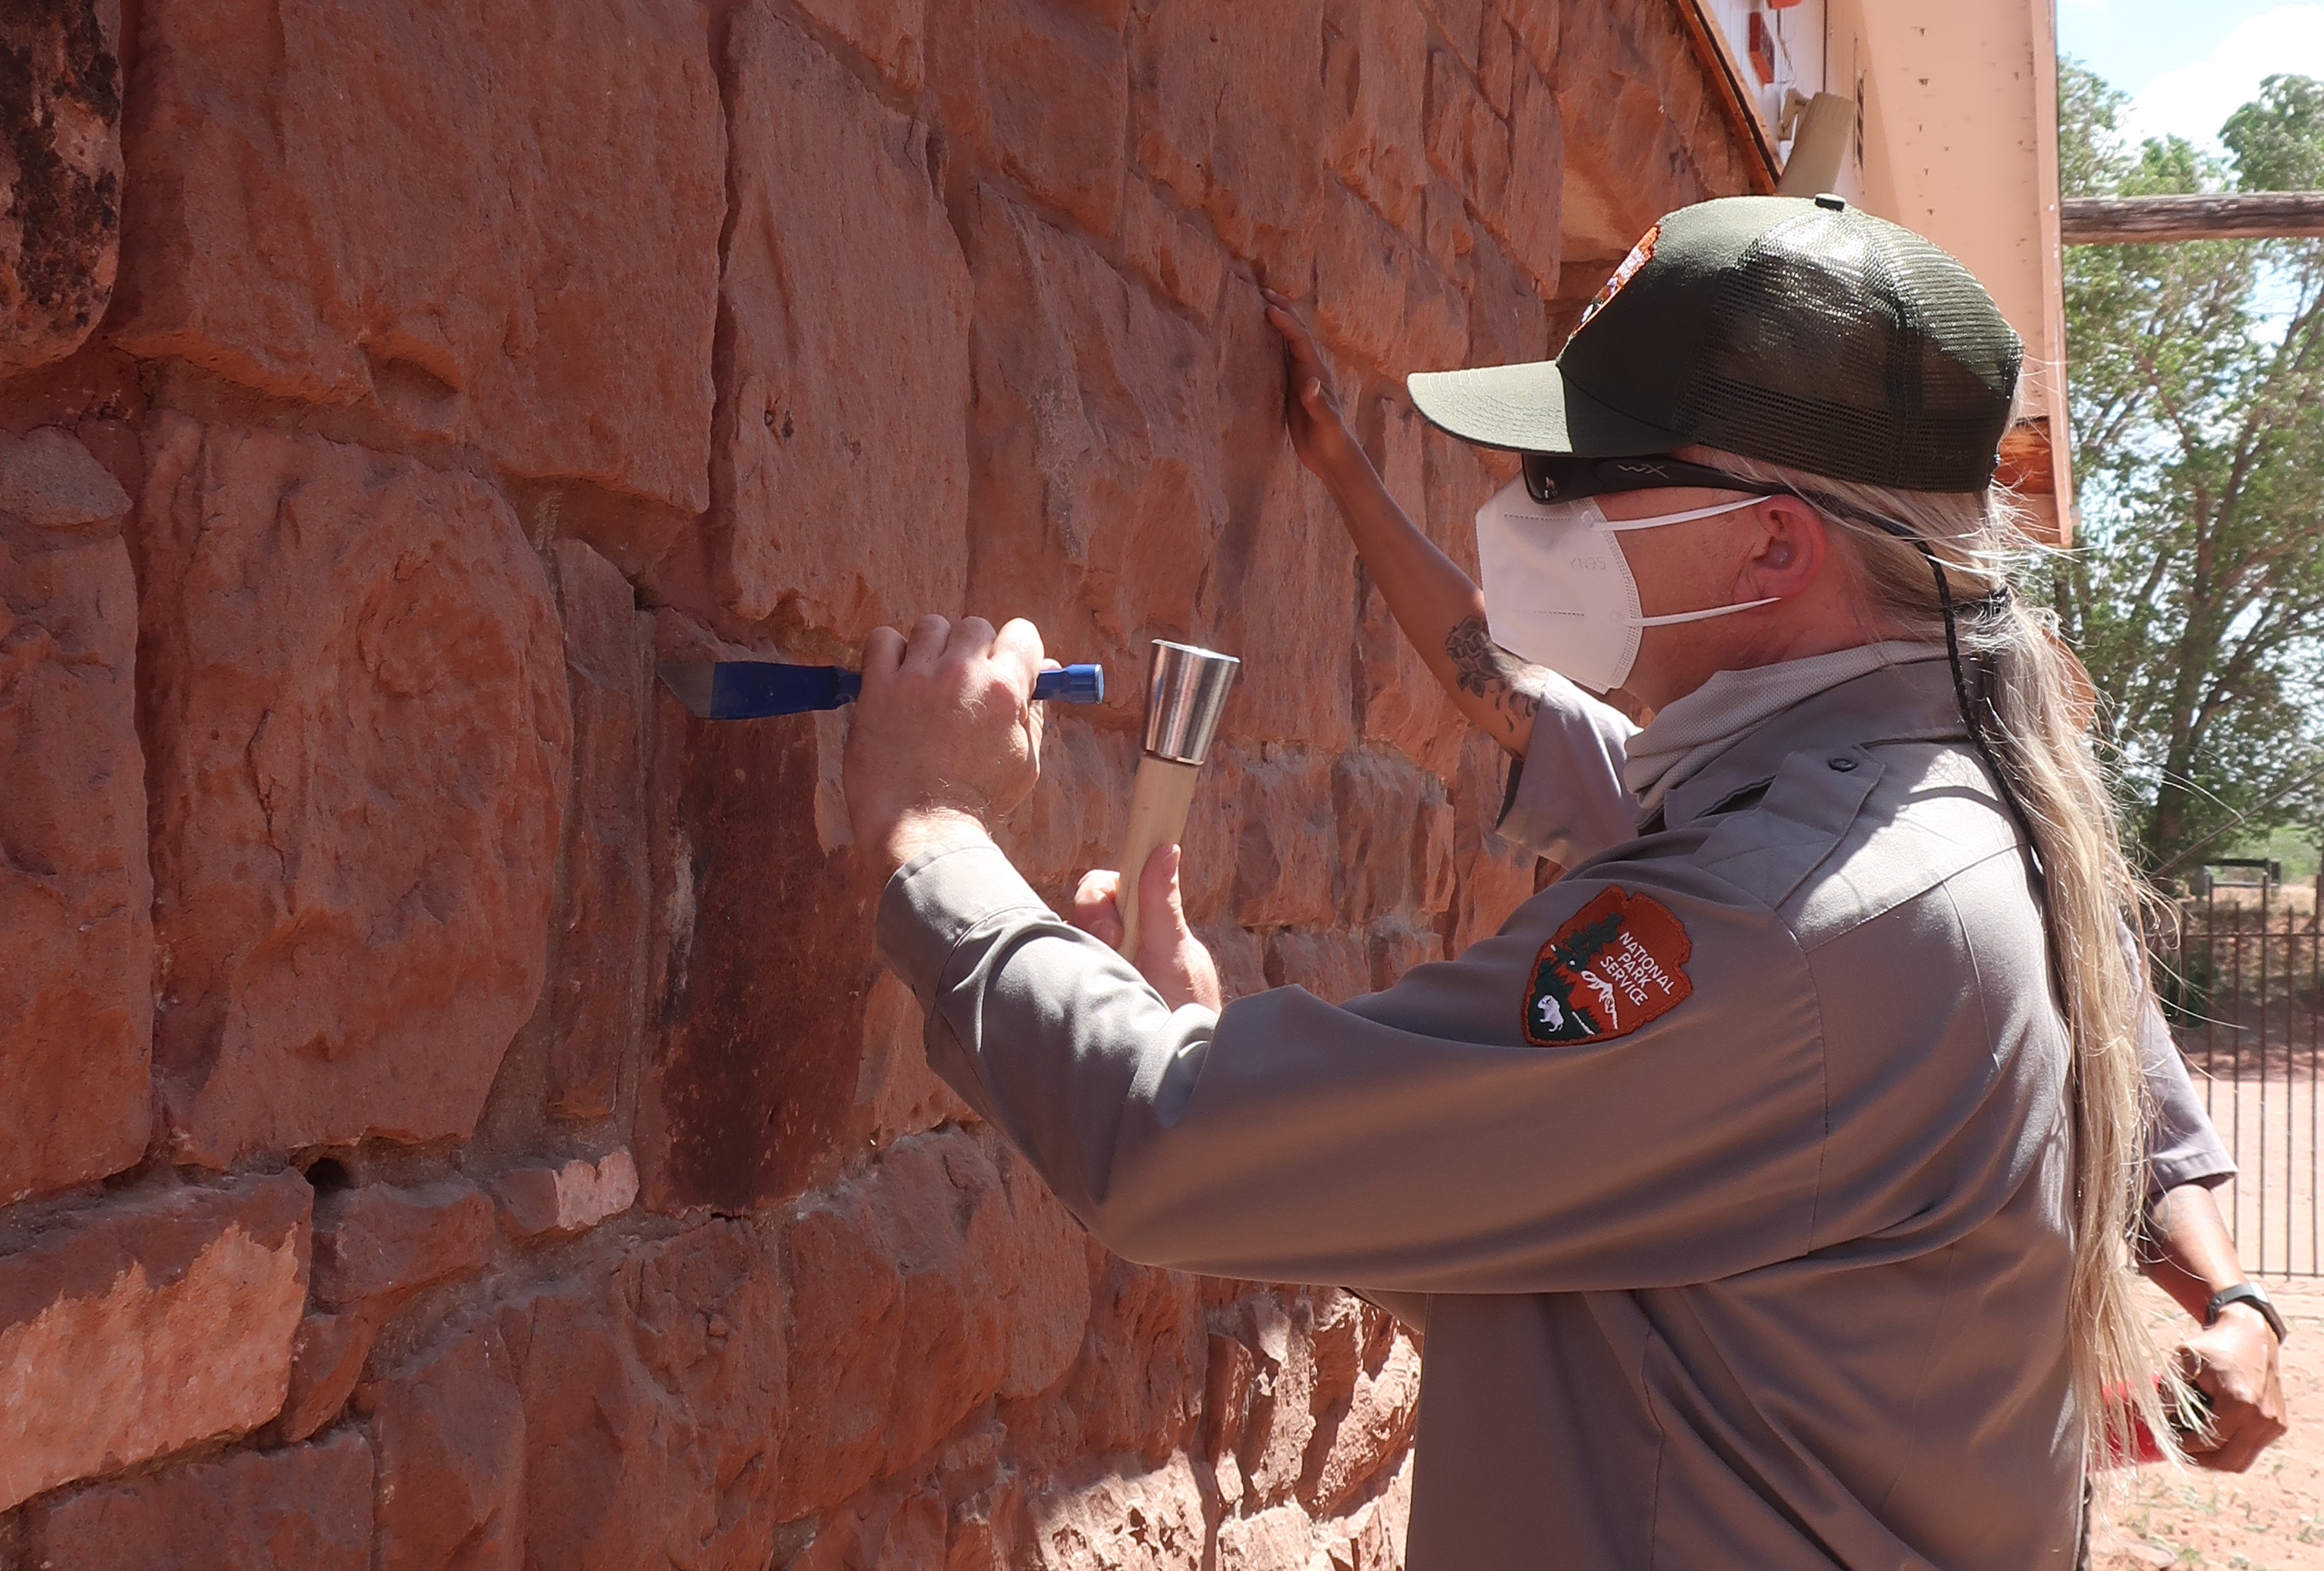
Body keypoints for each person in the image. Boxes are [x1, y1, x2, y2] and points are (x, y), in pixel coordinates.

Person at [839, 196, 2220, 1565]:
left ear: (1773, 546)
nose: (1534, 504)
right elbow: (1612, 1283)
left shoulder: (1776, 918)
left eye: (1586, 474)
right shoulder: (1941, 812)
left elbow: (1167, 1144)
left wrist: (932, 820)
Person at [1253, 275, 2291, 1478]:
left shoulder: (2008, 873)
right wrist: (1341, 470)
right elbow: (1492, 674)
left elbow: (2144, 1137)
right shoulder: (1709, 790)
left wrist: (2236, 1303)